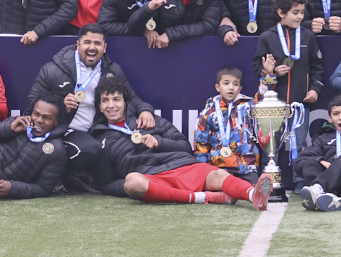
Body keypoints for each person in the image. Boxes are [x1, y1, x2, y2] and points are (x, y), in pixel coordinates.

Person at [91, 76, 273, 209]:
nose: (111, 105)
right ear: (99, 107)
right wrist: (127, 188)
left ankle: (253, 195)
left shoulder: (149, 119)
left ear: (125, 102)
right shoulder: (99, 139)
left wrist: (159, 142)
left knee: (218, 175)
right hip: (151, 177)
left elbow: (184, 145)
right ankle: (201, 197)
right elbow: (106, 183)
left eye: (116, 99)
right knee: (133, 182)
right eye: (105, 101)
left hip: (182, 165)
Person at [26, 24, 158, 177]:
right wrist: (61, 105)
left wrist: (145, 110)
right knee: (90, 149)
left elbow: (131, 97)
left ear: (105, 47)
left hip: (98, 129)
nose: (92, 47)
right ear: (78, 44)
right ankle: (61, 180)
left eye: (97, 43)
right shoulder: (53, 69)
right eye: (87, 42)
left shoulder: (112, 70)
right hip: (66, 129)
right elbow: (33, 102)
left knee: (122, 149)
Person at [254, 0, 324, 189]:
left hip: (300, 103)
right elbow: (257, 67)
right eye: (295, 12)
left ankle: (301, 181)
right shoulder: (267, 37)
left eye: (302, 12)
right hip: (273, 104)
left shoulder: (308, 36)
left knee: (300, 144)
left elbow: (317, 67)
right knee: (271, 145)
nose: (300, 16)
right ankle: (267, 182)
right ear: (281, 13)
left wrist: (315, 89)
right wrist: (273, 72)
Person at [0, 95, 71, 199]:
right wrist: (9, 128)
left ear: (56, 122)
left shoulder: (57, 150)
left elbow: (43, 189)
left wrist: (13, 188)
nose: (39, 120)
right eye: (36, 114)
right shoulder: (17, 122)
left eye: (46, 117)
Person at [193, 66, 262, 183]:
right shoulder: (207, 113)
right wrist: (202, 173)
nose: (231, 87)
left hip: (247, 167)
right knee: (222, 190)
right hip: (219, 168)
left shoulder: (248, 107)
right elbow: (201, 146)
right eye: (226, 83)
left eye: (235, 84)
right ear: (218, 87)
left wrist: (268, 75)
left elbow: (263, 97)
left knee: (253, 190)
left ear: (240, 89)